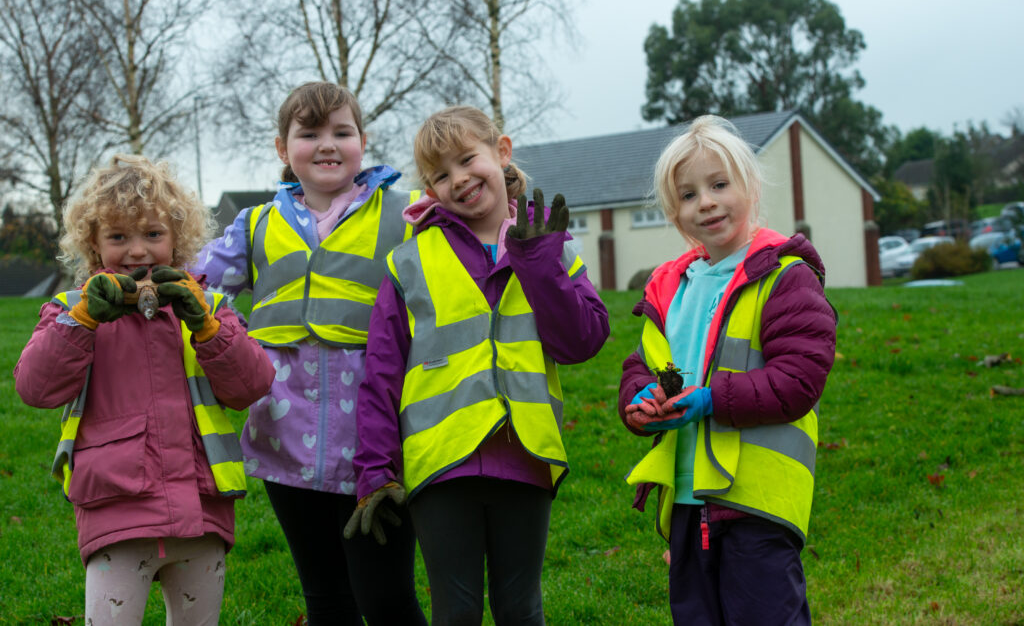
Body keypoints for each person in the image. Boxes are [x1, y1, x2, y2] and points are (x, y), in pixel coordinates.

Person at [348, 105, 610, 625]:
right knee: (456, 612)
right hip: (442, 464)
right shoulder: (410, 261)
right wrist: (375, 471)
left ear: (502, 152)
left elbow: (582, 341)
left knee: (520, 608)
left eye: (468, 159)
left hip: (526, 455)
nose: (460, 179)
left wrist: (538, 265)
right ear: (430, 189)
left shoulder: (552, 248)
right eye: (441, 175)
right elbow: (381, 374)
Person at [192, 81, 426, 625]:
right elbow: (195, 286)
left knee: (387, 601)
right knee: (326, 600)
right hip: (284, 438)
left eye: (342, 132)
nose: (327, 144)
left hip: (378, 441)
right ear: (282, 148)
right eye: (309, 133)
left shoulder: (408, 215)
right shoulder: (255, 224)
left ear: (363, 142)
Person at [14, 154, 276, 625]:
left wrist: (208, 327)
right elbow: (36, 387)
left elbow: (252, 385)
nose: (137, 251)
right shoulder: (71, 309)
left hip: (202, 509)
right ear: (94, 244)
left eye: (153, 234)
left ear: (178, 237)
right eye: (118, 237)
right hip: (116, 512)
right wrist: (82, 321)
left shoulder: (208, 305)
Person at [618, 115, 837, 625]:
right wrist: (640, 399)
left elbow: (799, 379)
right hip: (687, 498)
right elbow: (641, 363)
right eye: (689, 194)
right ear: (674, 212)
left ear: (750, 187)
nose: (706, 202)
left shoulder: (785, 277)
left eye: (719, 185)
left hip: (757, 501)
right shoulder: (670, 288)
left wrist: (713, 399)